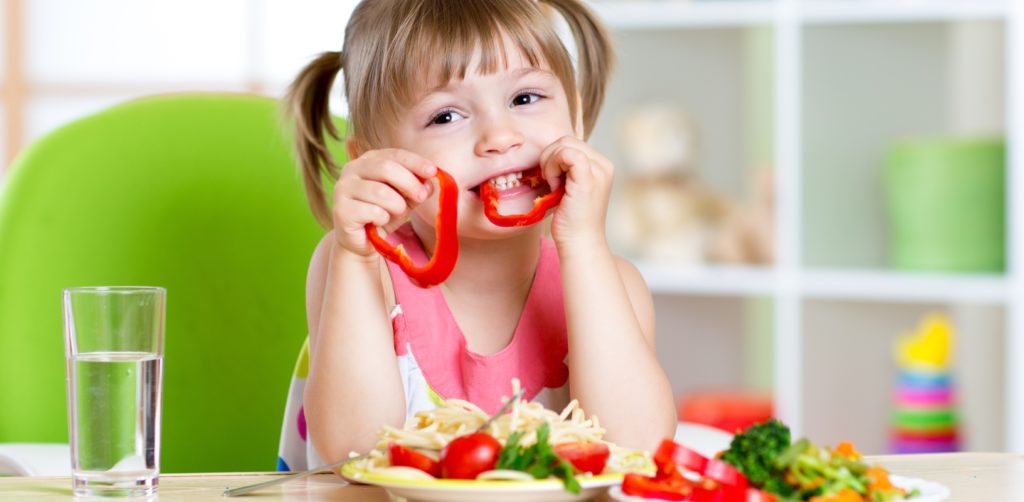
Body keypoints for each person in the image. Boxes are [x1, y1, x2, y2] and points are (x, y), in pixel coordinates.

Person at [280, 0, 676, 470]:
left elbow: (637, 450)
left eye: (525, 98)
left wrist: (586, 245)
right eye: (446, 116)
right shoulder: (361, 266)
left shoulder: (614, 283)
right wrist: (356, 253)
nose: (500, 136)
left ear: (579, 121)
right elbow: (354, 452)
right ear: (377, 159)